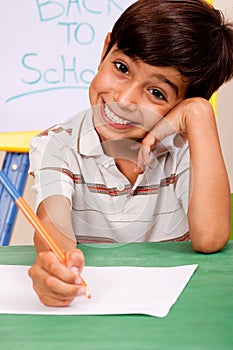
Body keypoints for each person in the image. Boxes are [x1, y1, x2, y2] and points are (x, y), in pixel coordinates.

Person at [28, 0, 233, 306]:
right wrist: (53, 265)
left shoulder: (185, 147)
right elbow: (53, 225)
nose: (123, 98)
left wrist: (200, 113)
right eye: (121, 68)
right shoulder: (57, 144)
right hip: (93, 303)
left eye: (156, 93)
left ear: (182, 105)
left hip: (176, 308)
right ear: (105, 50)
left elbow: (210, 238)